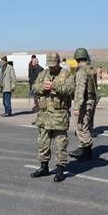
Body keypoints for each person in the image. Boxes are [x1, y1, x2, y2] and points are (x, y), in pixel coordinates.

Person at [30, 52, 74, 182]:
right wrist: (42, 87)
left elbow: (70, 89)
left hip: (59, 115)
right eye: (50, 65)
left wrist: (55, 86)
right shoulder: (43, 73)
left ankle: (60, 169)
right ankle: (44, 167)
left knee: (61, 143)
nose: (52, 67)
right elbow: (34, 87)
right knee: (43, 142)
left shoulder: (65, 74)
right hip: (44, 115)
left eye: (54, 65)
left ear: (58, 62)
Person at [69, 48, 97, 160]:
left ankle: (87, 151)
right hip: (92, 100)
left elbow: (80, 90)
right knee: (87, 126)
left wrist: (77, 107)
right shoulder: (91, 69)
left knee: (81, 127)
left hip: (85, 102)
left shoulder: (81, 71)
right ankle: (84, 149)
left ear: (77, 58)